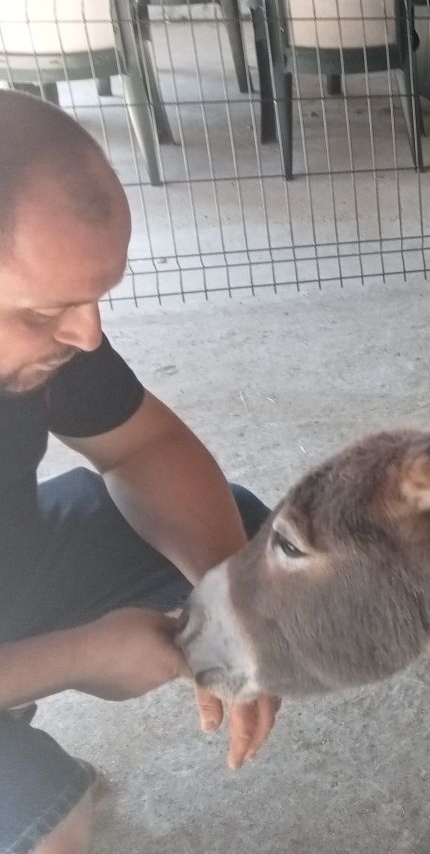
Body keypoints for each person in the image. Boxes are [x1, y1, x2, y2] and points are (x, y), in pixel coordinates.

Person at [0, 91, 278, 854]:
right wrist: (77, 654)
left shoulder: (59, 342)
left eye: (94, 299)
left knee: (248, 542)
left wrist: (230, 599)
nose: (87, 334)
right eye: (43, 313)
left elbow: (143, 446)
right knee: (44, 820)